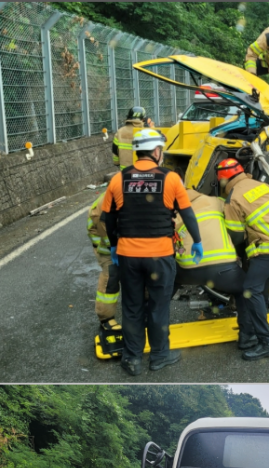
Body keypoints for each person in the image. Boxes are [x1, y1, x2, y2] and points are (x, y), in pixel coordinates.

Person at [102, 128, 203, 376]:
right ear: (157, 151)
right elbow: (188, 214)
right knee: (158, 306)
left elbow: (108, 218)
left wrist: (115, 245)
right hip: (160, 257)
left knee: (133, 306)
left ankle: (133, 358)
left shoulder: (118, 179)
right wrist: (197, 241)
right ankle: (159, 356)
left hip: (129, 257)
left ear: (138, 151)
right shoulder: (170, 179)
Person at [220, 158, 269, 360]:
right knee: (259, 286)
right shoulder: (259, 184)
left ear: (223, 179)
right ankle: (247, 335)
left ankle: (266, 342)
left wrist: (238, 254)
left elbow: (236, 235)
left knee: (249, 290)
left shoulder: (233, 198)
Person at [174, 189, 256, 350]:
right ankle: (247, 337)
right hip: (222, 269)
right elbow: (236, 227)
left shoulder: (176, 211)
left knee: (163, 291)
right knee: (245, 290)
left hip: (187, 268)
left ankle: (147, 330)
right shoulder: (216, 202)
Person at [87, 192, 120, 335]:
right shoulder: (105, 207)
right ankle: (106, 319)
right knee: (111, 277)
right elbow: (109, 237)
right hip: (106, 247)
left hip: (125, 244)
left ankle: (144, 308)